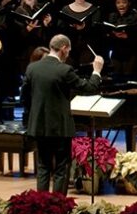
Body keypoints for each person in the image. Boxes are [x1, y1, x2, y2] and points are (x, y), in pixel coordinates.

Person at [21, 34, 104, 193]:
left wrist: (35, 112)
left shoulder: (32, 68)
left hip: (39, 125)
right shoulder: (64, 70)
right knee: (61, 167)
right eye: (69, 50)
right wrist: (96, 71)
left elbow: (24, 96)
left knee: (43, 166)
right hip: (60, 127)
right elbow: (89, 87)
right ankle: (58, 203)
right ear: (64, 48)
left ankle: (42, 201)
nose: (68, 53)